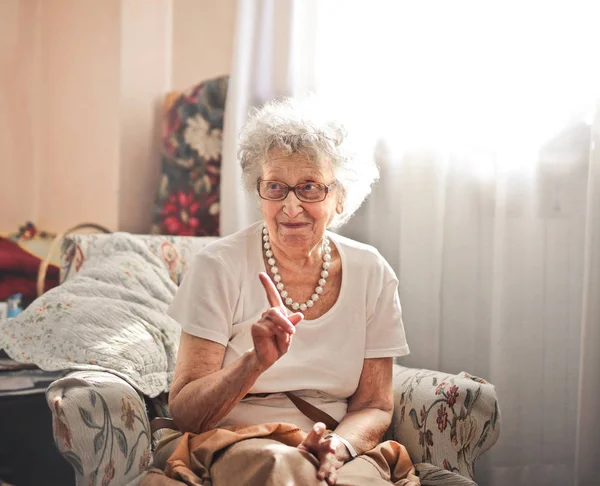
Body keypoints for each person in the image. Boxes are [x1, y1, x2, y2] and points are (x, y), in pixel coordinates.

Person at [152, 98, 418, 486]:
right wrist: (253, 363)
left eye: (309, 187)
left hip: (336, 446)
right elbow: (187, 414)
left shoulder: (371, 271)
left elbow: (374, 404)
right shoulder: (218, 266)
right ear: (258, 191)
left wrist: (338, 448)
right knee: (281, 471)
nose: (291, 207)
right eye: (276, 187)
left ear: (340, 196)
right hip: (242, 444)